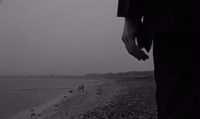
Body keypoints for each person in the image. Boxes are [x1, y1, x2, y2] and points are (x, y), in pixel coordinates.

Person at [117, 0, 200, 119]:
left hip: (175, 23)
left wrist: (131, 16)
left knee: (179, 103)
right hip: (177, 22)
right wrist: (130, 15)